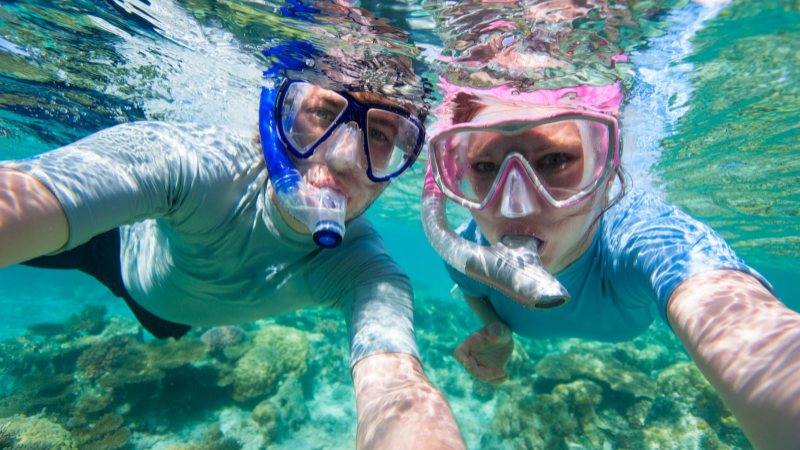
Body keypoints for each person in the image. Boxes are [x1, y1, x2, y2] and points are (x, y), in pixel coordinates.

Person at [0, 38, 467, 450]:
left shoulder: (366, 270)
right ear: (276, 115)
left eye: (382, 135)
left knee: (168, 328)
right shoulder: (190, 165)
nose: (345, 157)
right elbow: (30, 195)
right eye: (323, 112)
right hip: (114, 252)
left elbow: (396, 394)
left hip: (172, 318)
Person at [421, 81, 800, 449]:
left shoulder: (644, 237)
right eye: (485, 167)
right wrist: (497, 331)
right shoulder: (467, 251)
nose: (513, 205)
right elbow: (473, 289)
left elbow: (735, 315)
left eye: (554, 160)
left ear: (607, 168)